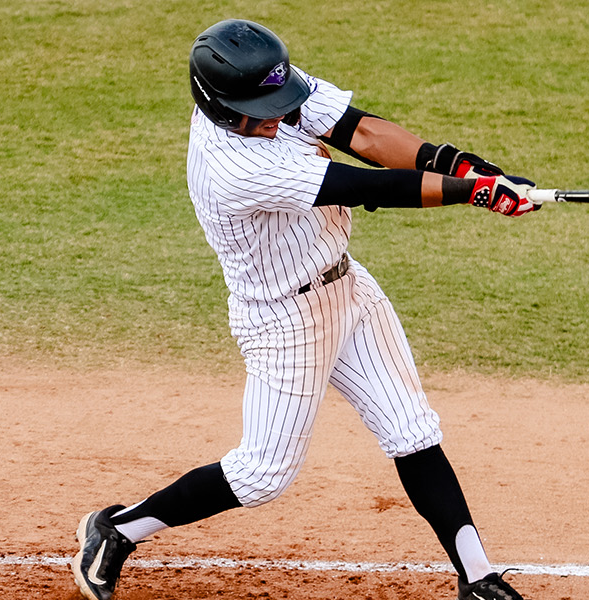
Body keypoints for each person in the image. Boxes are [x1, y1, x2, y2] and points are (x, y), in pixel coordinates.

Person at [71, 19, 539, 600]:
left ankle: (476, 576)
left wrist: (466, 166)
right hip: (284, 321)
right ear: (220, 106)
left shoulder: (269, 89)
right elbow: (366, 184)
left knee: (413, 431)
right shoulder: (235, 166)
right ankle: (116, 530)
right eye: (261, 107)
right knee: (261, 474)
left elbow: (361, 133)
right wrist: (472, 192)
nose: (276, 113)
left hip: (349, 289)